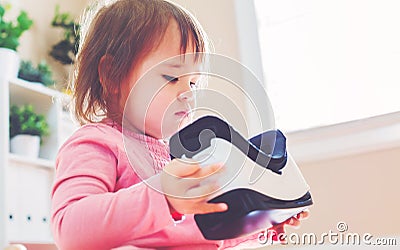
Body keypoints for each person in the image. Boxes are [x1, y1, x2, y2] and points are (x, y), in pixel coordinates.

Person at [51, 0, 308, 249]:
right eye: (172, 77)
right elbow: (70, 230)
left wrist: (262, 224)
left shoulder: (178, 159)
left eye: (193, 83)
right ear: (112, 75)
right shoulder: (96, 143)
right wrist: (163, 196)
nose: (189, 93)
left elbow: (200, 235)